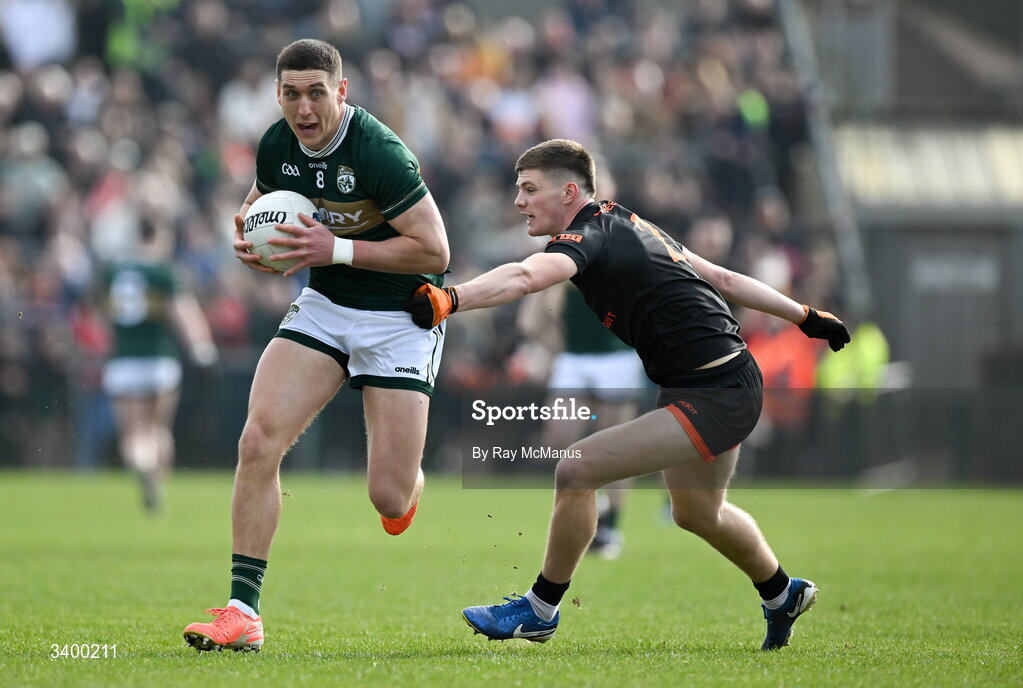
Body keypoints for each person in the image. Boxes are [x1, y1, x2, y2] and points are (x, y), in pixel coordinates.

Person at [404, 139, 849, 650]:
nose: (519, 201)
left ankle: (541, 609)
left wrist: (450, 298)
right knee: (697, 512)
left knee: (576, 467)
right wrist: (805, 316)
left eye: (529, 189)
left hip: (717, 389)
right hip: (715, 381)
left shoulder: (591, 235)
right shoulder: (627, 221)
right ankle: (781, 593)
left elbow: (528, 276)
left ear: (569, 192)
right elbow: (721, 277)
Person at [183, 39, 450, 653]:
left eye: (315, 93)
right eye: (291, 93)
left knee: (388, 495)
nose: (303, 108)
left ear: (341, 92)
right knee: (258, 440)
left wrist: (336, 249)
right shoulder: (276, 143)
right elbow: (258, 207)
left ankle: (410, 482)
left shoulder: (380, 152)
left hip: (400, 316)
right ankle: (242, 612)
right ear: (277, 95)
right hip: (326, 307)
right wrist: (251, 237)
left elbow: (437, 251)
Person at [517, 282, 647, 559]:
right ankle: (593, 505)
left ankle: (611, 527)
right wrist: (548, 344)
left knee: (617, 449)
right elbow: (529, 322)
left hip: (617, 357)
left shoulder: (614, 252)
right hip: (573, 358)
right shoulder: (559, 255)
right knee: (557, 440)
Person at [100, 218, 218, 513]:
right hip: (158, 359)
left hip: (122, 361)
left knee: (133, 434)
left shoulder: (114, 271)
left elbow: (101, 313)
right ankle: (157, 484)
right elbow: (184, 314)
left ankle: (142, 466)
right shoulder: (164, 271)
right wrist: (202, 349)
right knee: (158, 430)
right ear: (158, 236)